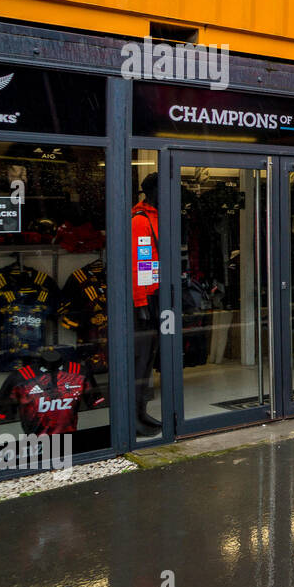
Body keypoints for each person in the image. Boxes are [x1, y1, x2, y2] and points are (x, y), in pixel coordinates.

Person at [131, 173, 162, 437]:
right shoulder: (140, 221)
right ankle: (133, 415)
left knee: (148, 358)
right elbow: (139, 264)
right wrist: (141, 302)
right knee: (139, 361)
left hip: (155, 295)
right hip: (145, 299)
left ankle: (141, 411)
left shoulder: (157, 217)